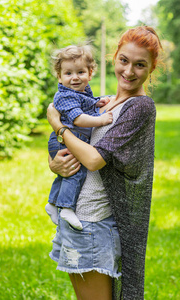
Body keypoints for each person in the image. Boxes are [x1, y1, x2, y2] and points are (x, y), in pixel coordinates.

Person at [47, 26, 163, 300]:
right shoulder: (104, 103)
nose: (129, 71)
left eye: (140, 64)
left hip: (93, 223)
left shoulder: (140, 107)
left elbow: (94, 159)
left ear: (152, 67)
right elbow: (74, 145)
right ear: (114, 58)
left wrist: (57, 127)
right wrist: (55, 164)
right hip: (76, 221)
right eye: (124, 60)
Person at [45, 45, 113, 230]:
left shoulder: (81, 92)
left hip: (71, 137)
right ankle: (67, 208)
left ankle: (52, 203)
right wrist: (100, 119)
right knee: (77, 171)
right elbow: (78, 118)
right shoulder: (65, 95)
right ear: (59, 76)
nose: (75, 77)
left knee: (67, 173)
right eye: (68, 73)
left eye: (80, 72)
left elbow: (85, 104)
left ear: (90, 73)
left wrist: (97, 102)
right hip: (66, 137)